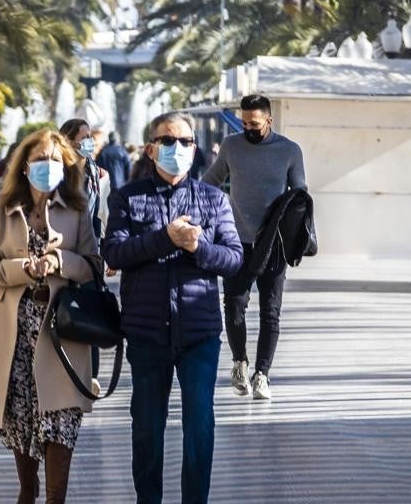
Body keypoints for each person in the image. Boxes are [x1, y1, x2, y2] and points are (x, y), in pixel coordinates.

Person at [104, 112, 243, 504]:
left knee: (199, 425)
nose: (177, 149)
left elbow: (233, 259)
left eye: (184, 142)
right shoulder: (127, 198)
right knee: (147, 426)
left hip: (199, 333)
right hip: (147, 334)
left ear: (195, 149)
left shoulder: (213, 199)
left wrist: (198, 247)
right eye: (168, 141)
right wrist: (166, 238)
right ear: (151, 149)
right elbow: (114, 252)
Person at [0, 129, 103, 504]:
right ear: (25, 165)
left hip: (62, 338)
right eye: (40, 159)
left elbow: (94, 266)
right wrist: (24, 269)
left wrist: (61, 261)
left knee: (59, 452)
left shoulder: (77, 210)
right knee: (27, 476)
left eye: (55, 160)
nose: (48, 166)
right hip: (14, 339)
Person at [203, 94, 306, 401]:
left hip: (273, 245)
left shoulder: (289, 150)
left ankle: (262, 374)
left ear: (269, 121)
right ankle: (240, 363)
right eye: (244, 122)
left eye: (254, 123)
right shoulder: (232, 146)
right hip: (236, 242)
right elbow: (211, 180)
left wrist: (292, 229)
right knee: (233, 306)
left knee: (270, 312)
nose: (248, 128)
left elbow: (299, 193)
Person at [60, 118, 104, 239]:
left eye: (90, 136)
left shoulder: (95, 174)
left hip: (89, 243)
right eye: (85, 137)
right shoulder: (57, 173)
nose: (91, 141)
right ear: (68, 142)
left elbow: (98, 216)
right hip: (63, 242)